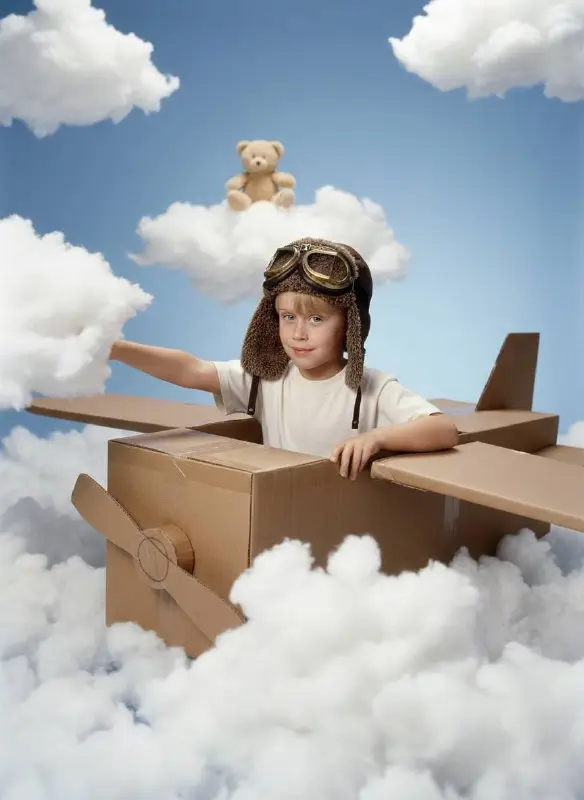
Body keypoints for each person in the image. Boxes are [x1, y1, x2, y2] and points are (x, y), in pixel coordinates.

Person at [110, 237, 458, 480]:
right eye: (287, 317)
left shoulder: (373, 388)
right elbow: (191, 370)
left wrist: (376, 439)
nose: (298, 333)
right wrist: (115, 348)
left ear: (349, 325)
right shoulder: (266, 377)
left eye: (316, 319)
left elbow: (443, 429)